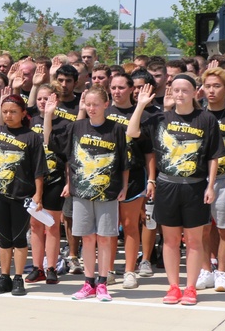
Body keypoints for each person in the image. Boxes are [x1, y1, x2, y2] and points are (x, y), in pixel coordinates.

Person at [127, 75, 222, 306]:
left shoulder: (206, 119)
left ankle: (190, 288)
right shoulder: (160, 117)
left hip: (196, 186)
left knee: (194, 241)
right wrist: (140, 105)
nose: (180, 94)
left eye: (185, 90)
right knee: (169, 241)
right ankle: (173, 286)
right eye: (176, 90)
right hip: (167, 185)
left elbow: (213, 156)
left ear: (194, 92)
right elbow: (131, 132)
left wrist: (210, 185)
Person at [48, 87, 128, 302]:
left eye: (96, 104)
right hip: (82, 192)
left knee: (104, 238)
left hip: (108, 192)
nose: (92, 108)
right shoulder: (76, 127)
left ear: (106, 104)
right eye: (88, 104)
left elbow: (123, 162)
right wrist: (48, 115)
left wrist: (124, 186)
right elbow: (52, 143)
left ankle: (102, 283)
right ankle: (88, 282)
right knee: (87, 238)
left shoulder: (117, 129)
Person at [0, 94, 47, 296]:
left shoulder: (31, 137)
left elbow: (39, 170)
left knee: (19, 238)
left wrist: (38, 195)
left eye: (13, 111)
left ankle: (18, 278)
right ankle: (4, 277)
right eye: (5, 111)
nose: (9, 115)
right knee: (4, 239)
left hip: (22, 196)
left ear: (23, 113)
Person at [195, 67, 225, 293]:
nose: (211, 90)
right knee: (202, 230)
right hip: (198, 178)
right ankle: (206, 270)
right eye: (208, 86)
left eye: (216, 86)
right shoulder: (197, 115)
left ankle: (222, 272)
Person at [104, 73, 155, 289]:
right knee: (108, 227)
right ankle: (107, 270)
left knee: (130, 225)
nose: (117, 91)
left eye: (121, 87)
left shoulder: (141, 113)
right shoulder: (103, 112)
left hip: (134, 176)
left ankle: (129, 271)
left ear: (131, 89)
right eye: (113, 87)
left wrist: (151, 179)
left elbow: (149, 152)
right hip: (106, 177)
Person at [27, 84, 67, 285]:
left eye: (48, 99)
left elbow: (49, 142)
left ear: (56, 101)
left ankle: (51, 266)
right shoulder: (30, 121)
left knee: (51, 225)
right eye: (40, 99)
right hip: (33, 181)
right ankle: (37, 267)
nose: (43, 102)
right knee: (35, 224)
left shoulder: (64, 124)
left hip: (55, 179)